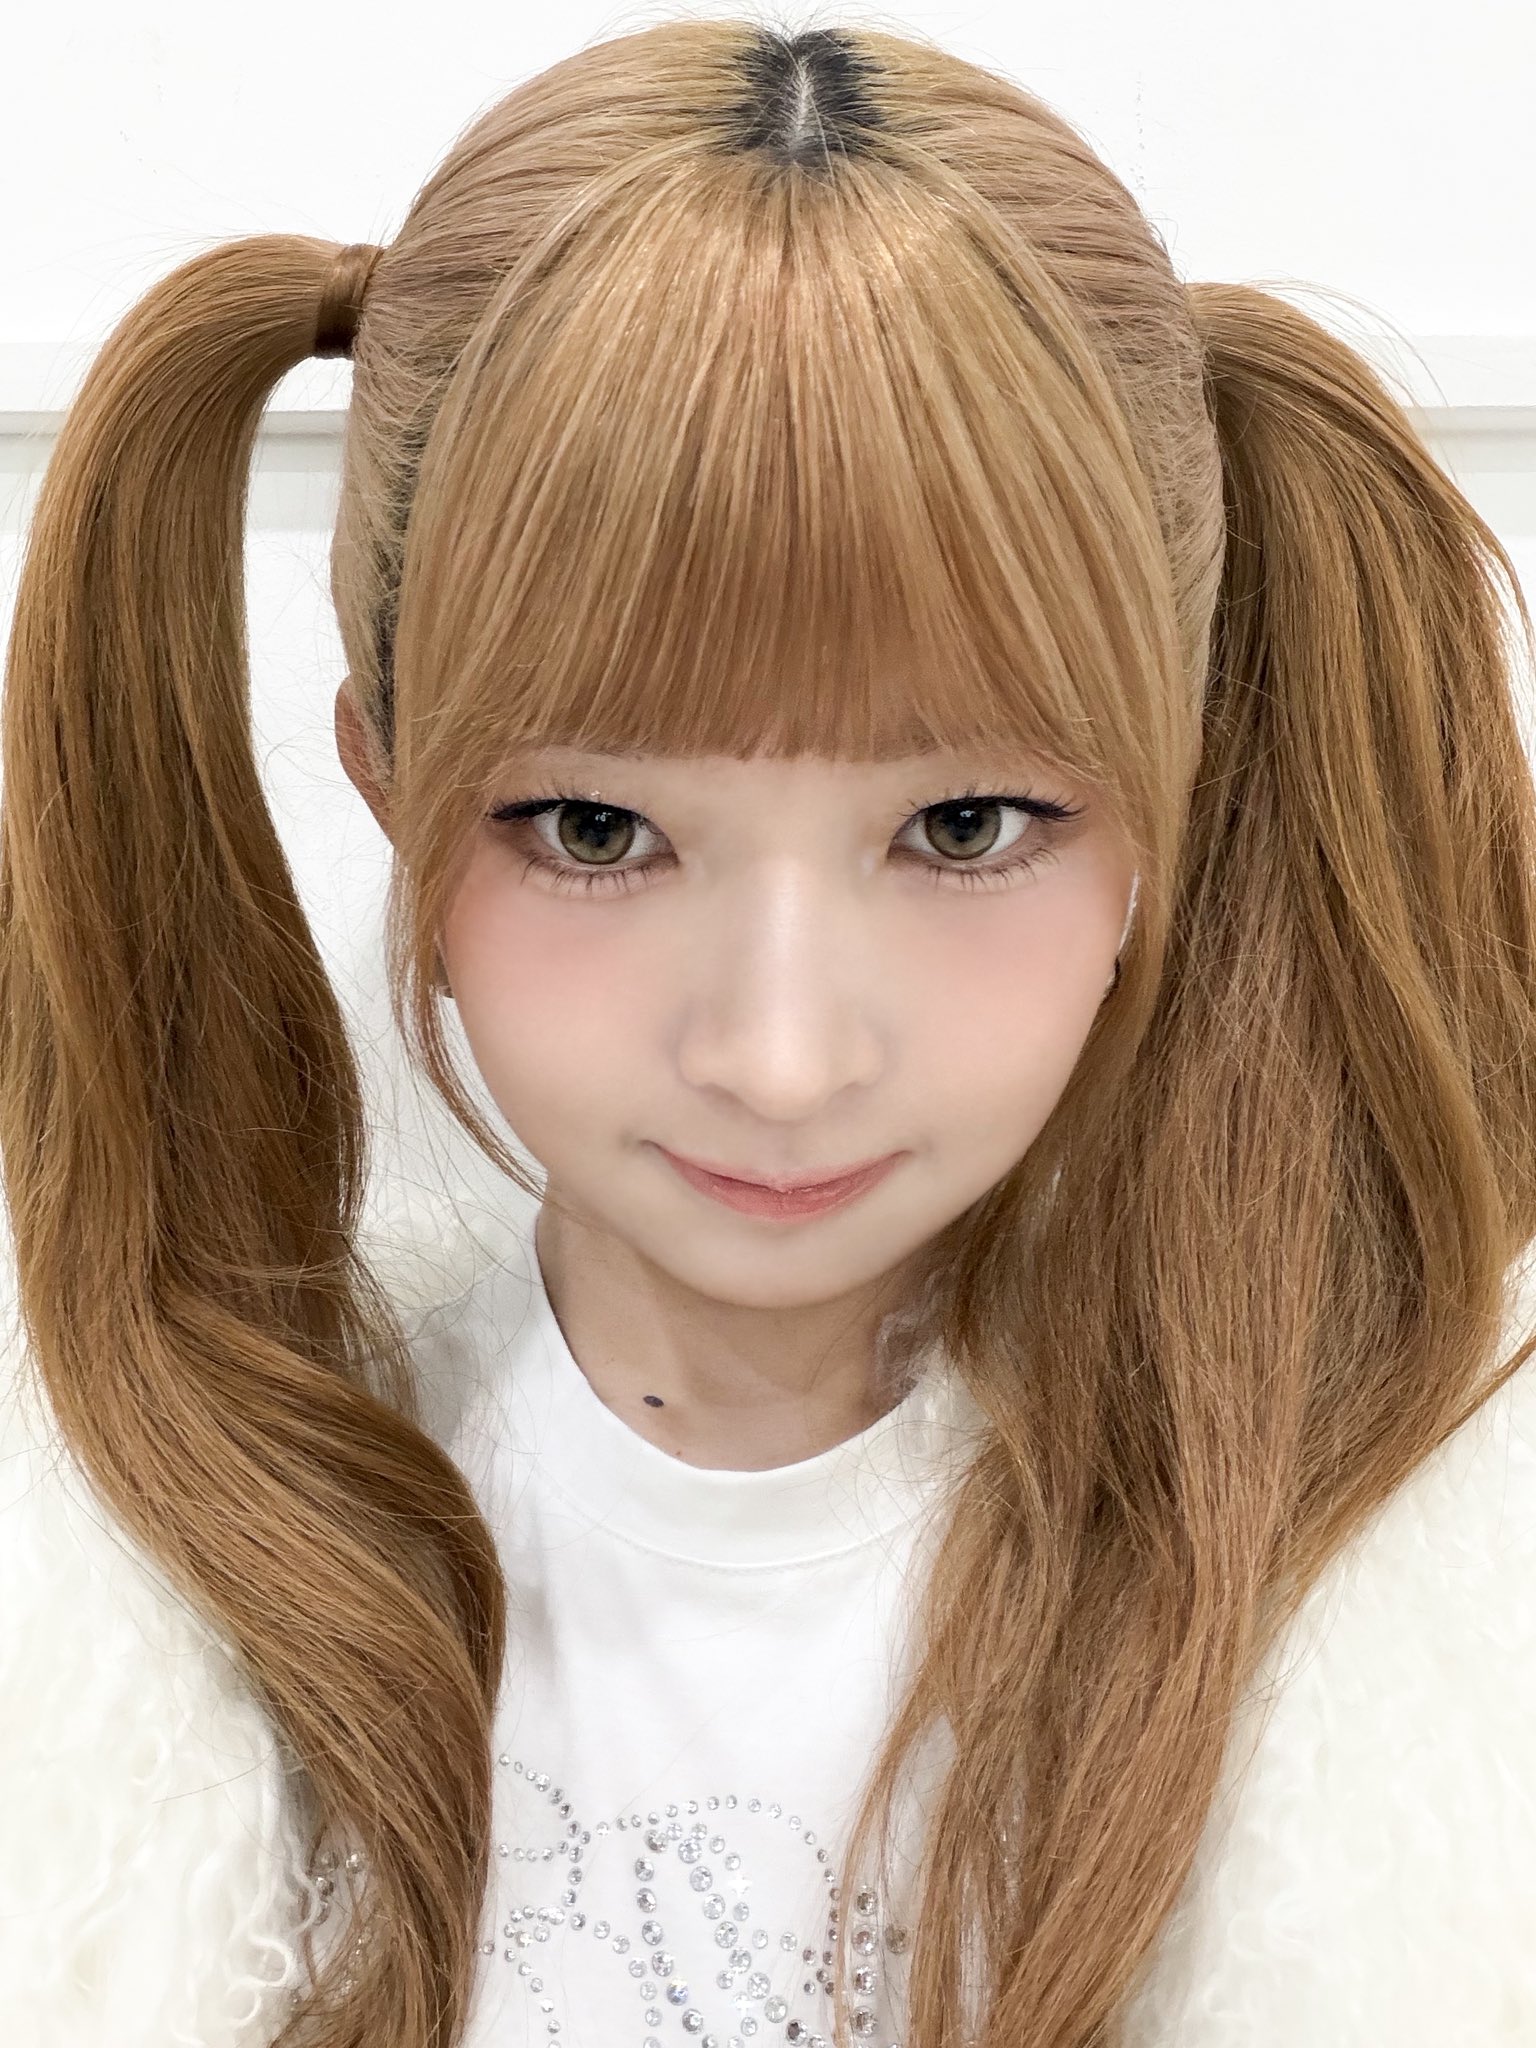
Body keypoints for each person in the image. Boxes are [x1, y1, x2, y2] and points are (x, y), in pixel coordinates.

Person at [3, 15, 1536, 2048]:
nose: (783, 1056)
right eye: (595, 829)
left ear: (1175, 788)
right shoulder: (105, 1632)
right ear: (385, 779)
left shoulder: (1424, 1633)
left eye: (966, 827)